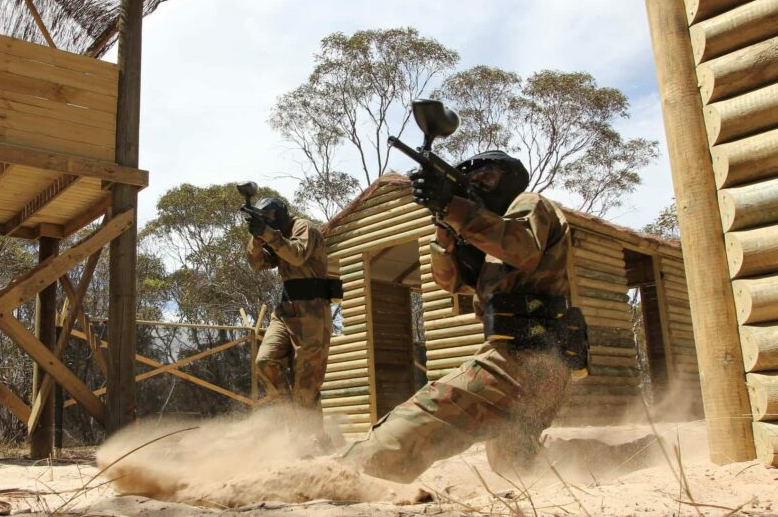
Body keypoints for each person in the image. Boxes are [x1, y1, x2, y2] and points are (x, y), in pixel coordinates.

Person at [341, 150, 589, 483]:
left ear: (510, 180)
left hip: (522, 360)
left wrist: (455, 208)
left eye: (487, 177)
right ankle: (619, 457)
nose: (478, 184)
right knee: (516, 463)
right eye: (472, 181)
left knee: (413, 424)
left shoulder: (529, 204)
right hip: (539, 365)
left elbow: (523, 248)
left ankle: (342, 475)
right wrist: (444, 224)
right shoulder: (489, 236)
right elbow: (450, 281)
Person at [245, 197, 334, 414]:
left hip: (312, 313)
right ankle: (291, 418)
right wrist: (256, 237)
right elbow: (257, 263)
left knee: (305, 387)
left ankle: (309, 431)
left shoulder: (303, 227)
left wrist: (266, 233)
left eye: (269, 216)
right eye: (264, 219)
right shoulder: (275, 235)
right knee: (265, 362)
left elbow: (297, 255)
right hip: (286, 310)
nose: (268, 221)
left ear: (281, 212)